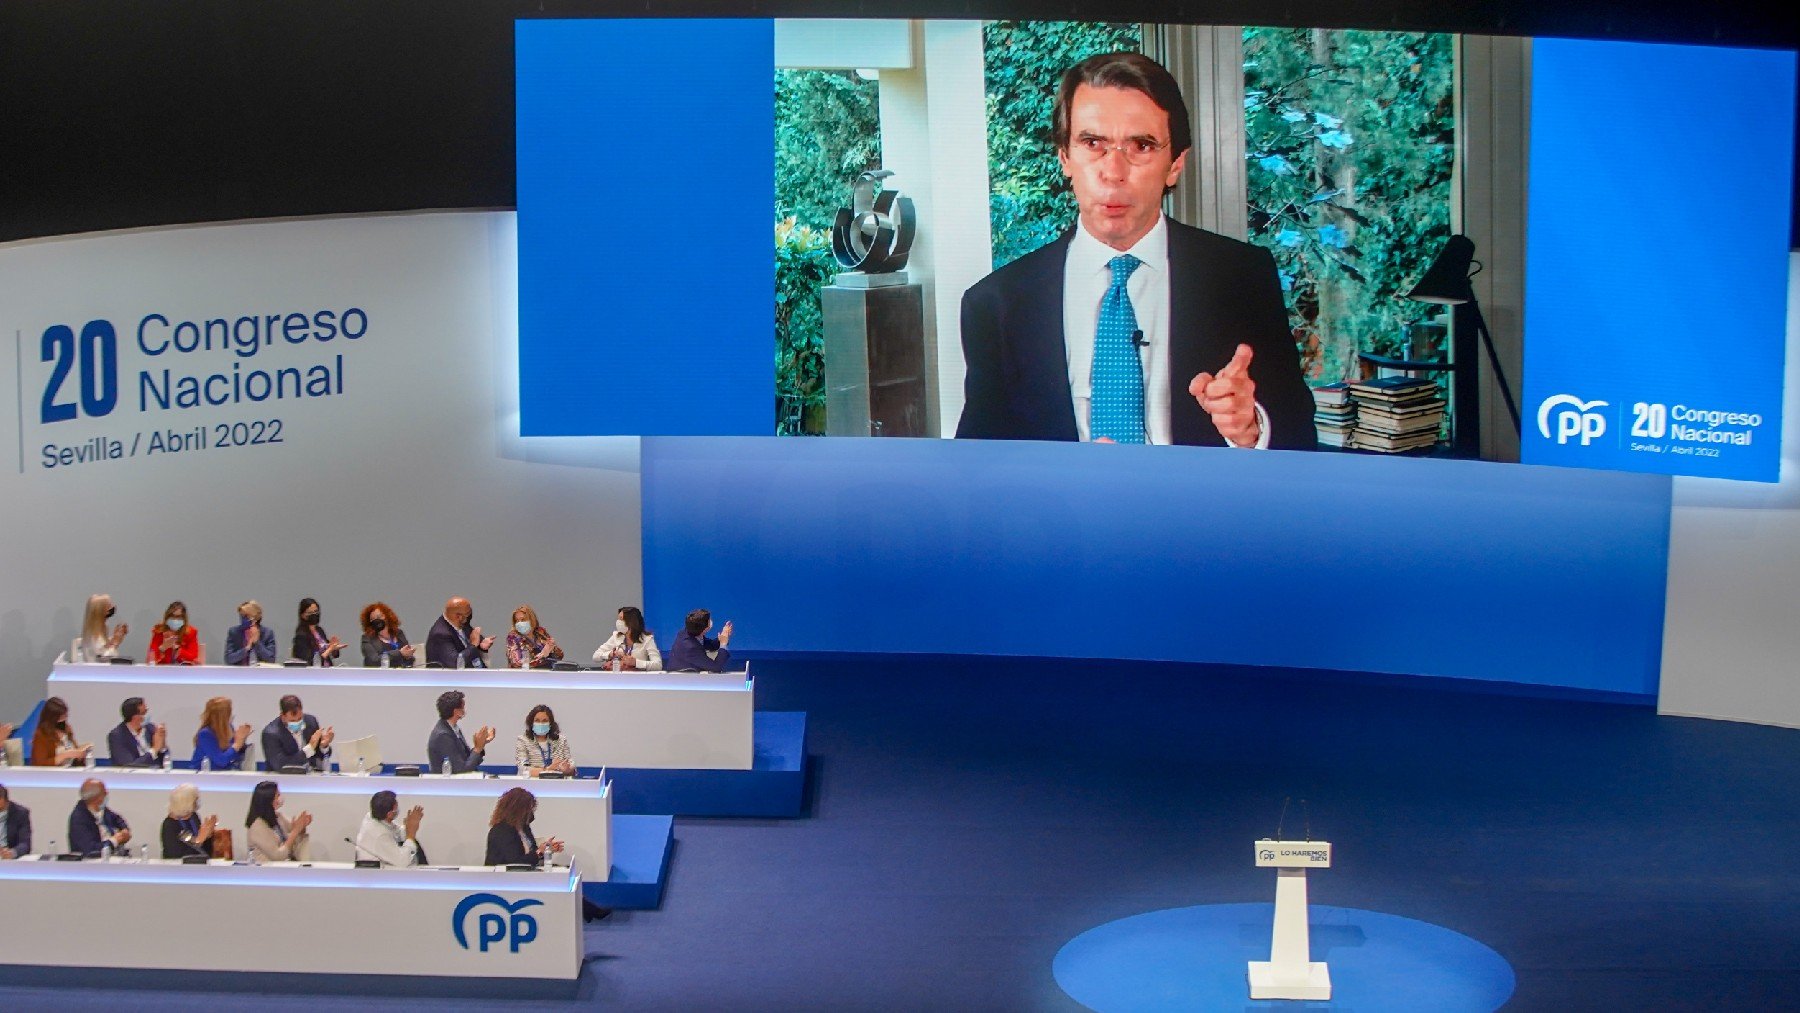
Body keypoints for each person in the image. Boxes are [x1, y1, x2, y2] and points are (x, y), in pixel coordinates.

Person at [955, 52, 1313, 450]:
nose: (1114, 171)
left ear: (1175, 164)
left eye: (1141, 145)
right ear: (1065, 158)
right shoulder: (994, 304)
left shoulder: (1242, 277)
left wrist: (1251, 428)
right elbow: (980, 464)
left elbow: (1299, 435)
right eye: (1093, 143)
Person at [483, 786, 564, 867]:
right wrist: (540, 852)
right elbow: (515, 862)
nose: (531, 813)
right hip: (504, 877)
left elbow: (532, 855)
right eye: (529, 809)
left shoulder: (524, 828)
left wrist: (546, 849)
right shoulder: (501, 831)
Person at [260, 694, 334, 772]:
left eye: (300, 719)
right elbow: (281, 765)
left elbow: (318, 755)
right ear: (283, 716)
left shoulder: (310, 722)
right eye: (293, 721)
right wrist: (309, 749)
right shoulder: (271, 733)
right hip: (283, 779)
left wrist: (324, 746)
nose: (298, 723)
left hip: (310, 776)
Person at [426, 691, 495, 774]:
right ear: (456, 711)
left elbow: (468, 760)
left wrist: (482, 743)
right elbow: (461, 770)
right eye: (463, 707)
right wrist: (478, 748)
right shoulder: (443, 735)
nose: (464, 710)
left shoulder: (453, 729)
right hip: (448, 785)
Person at [244, 780, 312, 862]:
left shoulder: (278, 817)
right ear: (269, 800)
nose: (280, 798)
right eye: (278, 795)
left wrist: (302, 825)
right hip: (267, 871)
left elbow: (293, 833)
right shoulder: (257, 826)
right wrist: (295, 831)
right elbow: (278, 856)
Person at [355, 790, 425, 867]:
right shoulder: (380, 835)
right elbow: (402, 861)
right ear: (389, 814)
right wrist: (411, 835)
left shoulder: (374, 816)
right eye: (396, 807)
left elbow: (396, 833)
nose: (398, 808)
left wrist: (408, 826)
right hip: (379, 875)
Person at [425, 597, 493, 669]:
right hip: (451, 678)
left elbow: (473, 637)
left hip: (476, 672)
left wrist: (481, 645)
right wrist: (473, 645)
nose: (469, 617)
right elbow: (456, 663)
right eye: (467, 614)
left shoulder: (460, 624)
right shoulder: (440, 634)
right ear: (459, 617)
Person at [68, 778, 131, 857]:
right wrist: (115, 840)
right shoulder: (79, 820)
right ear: (98, 799)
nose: (107, 794)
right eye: (105, 793)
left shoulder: (102, 810)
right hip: (93, 864)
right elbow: (90, 850)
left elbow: (117, 819)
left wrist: (124, 830)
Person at [192, 696, 254, 770]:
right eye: (230, 712)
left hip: (226, 773)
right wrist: (237, 743)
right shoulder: (205, 734)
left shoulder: (229, 727)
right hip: (203, 777)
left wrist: (242, 740)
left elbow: (233, 755)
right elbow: (221, 760)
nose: (232, 715)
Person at [106, 696, 170, 767]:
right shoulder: (117, 736)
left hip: (156, 775)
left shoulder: (150, 728)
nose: (147, 714)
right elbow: (128, 766)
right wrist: (154, 749)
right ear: (135, 717)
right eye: (144, 712)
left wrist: (162, 744)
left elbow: (164, 759)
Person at [592, 606, 662, 671]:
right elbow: (595, 656)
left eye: (621, 619)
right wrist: (611, 654)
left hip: (638, 681)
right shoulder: (616, 636)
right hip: (616, 680)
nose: (618, 622)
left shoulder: (647, 639)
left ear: (631, 622)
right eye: (618, 619)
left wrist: (636, 662)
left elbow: (658, 665)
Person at [514, 705, 575, 777]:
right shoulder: (523, 740)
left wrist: (567, 770)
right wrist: (548, 769)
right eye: (537, 720)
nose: (541, 724)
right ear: (531, 723)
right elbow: (523, 770)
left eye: (545, 721)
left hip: (557, 784)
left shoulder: (561, 740)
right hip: (531, 784)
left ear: (550, 724)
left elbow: (571, 767)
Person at [161, 783, 218, 860]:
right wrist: (199, 840)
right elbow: (175, 855)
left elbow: (204, 850)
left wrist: (208, 835)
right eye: (195, 800)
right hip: (179, 870)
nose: (197, 803)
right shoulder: (169, 825)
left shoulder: (194, 817)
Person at [666, 609, 734, 673]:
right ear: (705, 629)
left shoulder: (688, 631)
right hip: (684, 679)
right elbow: (716, 667)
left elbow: (710, 645)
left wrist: (723, 637)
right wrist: (723, 644)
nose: (711, 620)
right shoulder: (691, 648)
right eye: (709, 620)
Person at [30, 697, 92, 767]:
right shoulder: (41, 734)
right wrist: (64, 755)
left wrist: (80, 754)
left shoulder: (67, 728)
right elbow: (40, 764)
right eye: (61, 716)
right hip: (52, 774)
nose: (64, 718)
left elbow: (74, 750)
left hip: (71, 771)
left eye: (65, 715)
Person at [505, 604, 564, 670]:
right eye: (517, 621)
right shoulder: (513, 637)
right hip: (524, 677)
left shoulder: (540, 632)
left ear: (531, 619)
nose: (519, 623)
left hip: (546, 675)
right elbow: (517, 663)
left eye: (523, 620)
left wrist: (553, 648)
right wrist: (543, 655)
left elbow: (560, 656)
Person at [290, 597, 346, 666]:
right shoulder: (301, 635)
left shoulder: (319, 630)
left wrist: (334, 648)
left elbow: (331, 653)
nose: (314, 614)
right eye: (310, 612)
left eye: (316, 611)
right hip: (313, 674)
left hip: (327, 670)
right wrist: (329, 650)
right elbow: (309, 661)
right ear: (303, 615)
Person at [360, 601, 415, 668]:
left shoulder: (398, 633)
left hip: (401, 675)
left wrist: (409, 656)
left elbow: (409, 656)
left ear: (387, 616)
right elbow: (373, 660)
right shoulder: (367, 638)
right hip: (379, 676)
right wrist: (399, 653)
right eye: (372, 619)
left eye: (379, 616)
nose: (377, 620)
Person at [223, 600, 278, 665]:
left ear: (255, 618)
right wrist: (247, 649)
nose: (242, 619)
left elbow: (271, 659)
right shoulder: (234, 632)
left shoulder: (267, 633)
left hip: (261, 673)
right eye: (241, 615)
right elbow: (229, 659)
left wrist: (257, 642)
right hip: (239, 672)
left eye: (246, 616)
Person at [147, 600, 201, 665]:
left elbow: (194, 657)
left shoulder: (191, 632)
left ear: (184, 619)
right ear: (167, 617)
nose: (175, 620)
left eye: (178, 617)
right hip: (162, 671)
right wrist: (162, 648)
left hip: (183, 671)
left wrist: (178, 650)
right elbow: (149, 660)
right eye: (172, 616)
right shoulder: (159, 631)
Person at [79, 593, 129, 662]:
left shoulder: (97, 631)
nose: (113, 607)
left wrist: (116, 637)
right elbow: (104, 659)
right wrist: (115, 642)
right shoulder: (94, 635)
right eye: (109, 606)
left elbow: (103, 648)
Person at [0, 784, 31, 859]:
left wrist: (12, 852)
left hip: (9, 859)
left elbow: (25, 844)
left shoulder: (20, 813)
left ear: (3, 799)